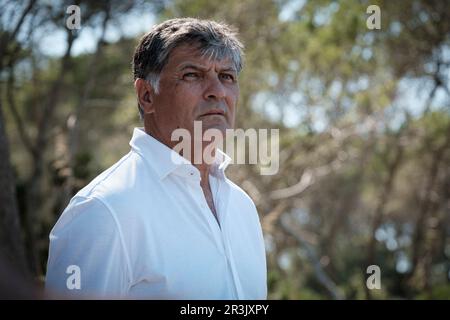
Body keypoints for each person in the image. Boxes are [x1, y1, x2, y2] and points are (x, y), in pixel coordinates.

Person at [45, 17, 267, 299]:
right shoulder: (102, 211)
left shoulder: (242, 208)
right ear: (147, 95)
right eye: (192, 75)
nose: (218, 91)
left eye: (227, 76)